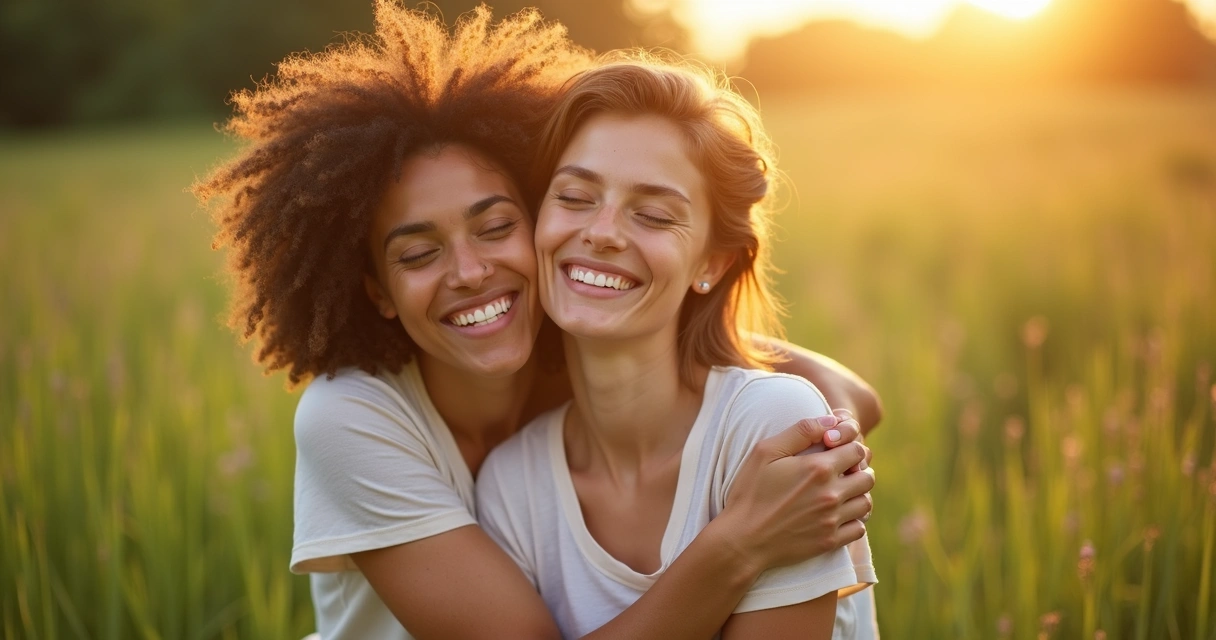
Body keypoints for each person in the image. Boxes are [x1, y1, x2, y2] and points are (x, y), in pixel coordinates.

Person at [194, 3, 880, 638]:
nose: (469, 272)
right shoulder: (365, 421)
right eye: (420, 252)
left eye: (495, 227)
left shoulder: (576, 340)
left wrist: (821, 439)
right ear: (377, 289)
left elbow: (785, 376)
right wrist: (741, 540)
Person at [476, 55, 879, 639]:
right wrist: (737, 542)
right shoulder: (511, 487)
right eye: (574, 196)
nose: (602, 232)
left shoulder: (772, 429)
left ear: (711, 263)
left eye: (654, 215)